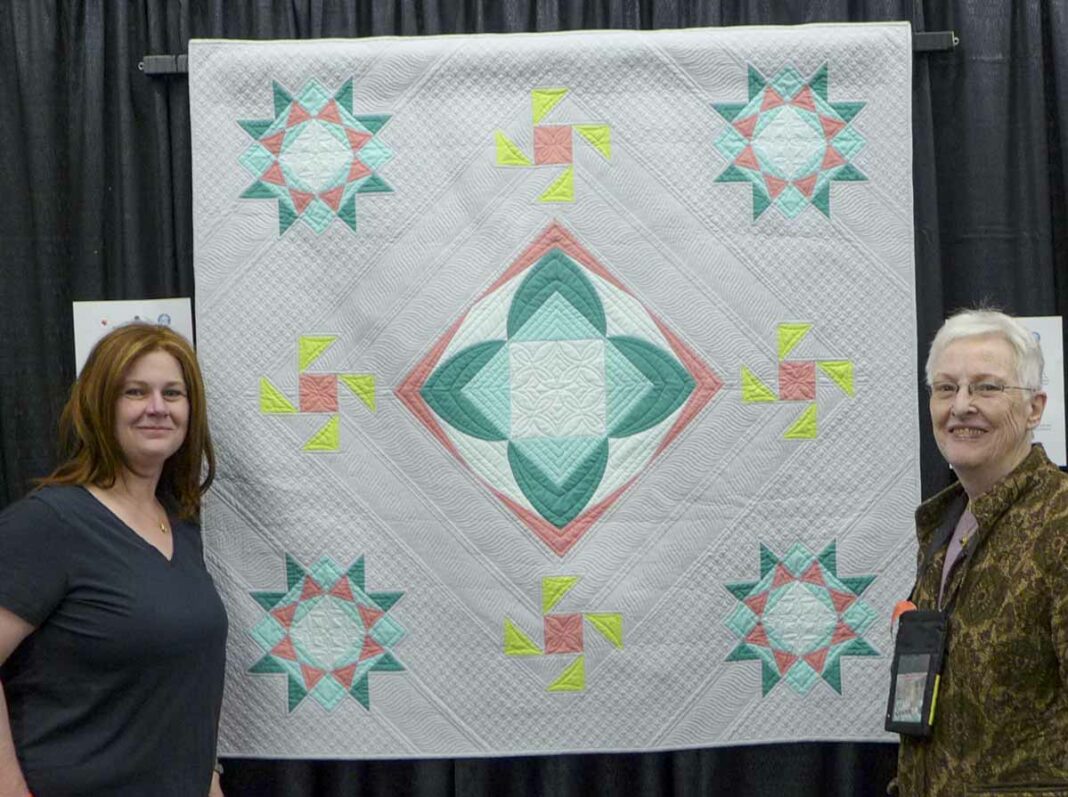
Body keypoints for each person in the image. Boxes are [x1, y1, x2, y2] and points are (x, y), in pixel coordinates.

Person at [0, 323, 228, 796]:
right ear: (101, 405)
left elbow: (183, 687)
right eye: (135, 392)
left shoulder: (180, 526)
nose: (157, 408)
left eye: (173, 393)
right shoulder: (48, 524)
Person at [892, 309, 1068, 795]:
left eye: (987, 388)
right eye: (946, 388)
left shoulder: (1060, 525)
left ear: (1035, 408)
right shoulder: (943, 527)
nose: (962, 405)